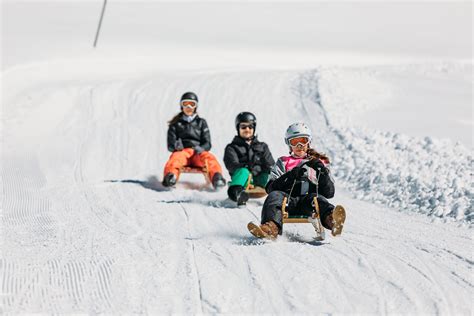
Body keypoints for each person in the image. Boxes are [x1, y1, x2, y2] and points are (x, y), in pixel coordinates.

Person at [248, 122, 346, 239]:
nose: (299, 145)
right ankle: (270, 228)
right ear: (289, 144)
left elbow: (329, 193)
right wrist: (290, 176)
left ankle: (332, 220)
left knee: (317, 198)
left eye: (303, 141)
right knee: (274, 196)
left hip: (308, 203)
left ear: (309, 142)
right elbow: (270, 188)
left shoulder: (317, 163)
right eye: (294, 142)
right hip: (287, 201)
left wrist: (323, 172)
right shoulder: (283, 162)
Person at [162, 92, 226, 189]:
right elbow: (170, 145)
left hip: (197, 152)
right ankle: (171, 176)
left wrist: (202, 148)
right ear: (181, 106)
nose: (188, 107)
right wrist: (176, 146)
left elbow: (207, 143)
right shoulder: (175, 124)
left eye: (192, 104)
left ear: (195, 106)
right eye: (185, 104)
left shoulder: (201, 123)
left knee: (208, 157)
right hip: (183, 152)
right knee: (175, 158)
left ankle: (217, 177)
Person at [223, 112, 275, 205]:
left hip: (260, 178)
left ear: (254, 128)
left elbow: (270, 163)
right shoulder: (232, 147)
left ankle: (278, 196)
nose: (247, 129)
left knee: (271, 173)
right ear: (238, 128)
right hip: (244, 179)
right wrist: (245, 166)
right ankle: (238, 194)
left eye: (250, 127)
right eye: (243, 127)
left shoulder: (262, 146)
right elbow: (231, 165)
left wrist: (269, 171)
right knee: (243, 171)